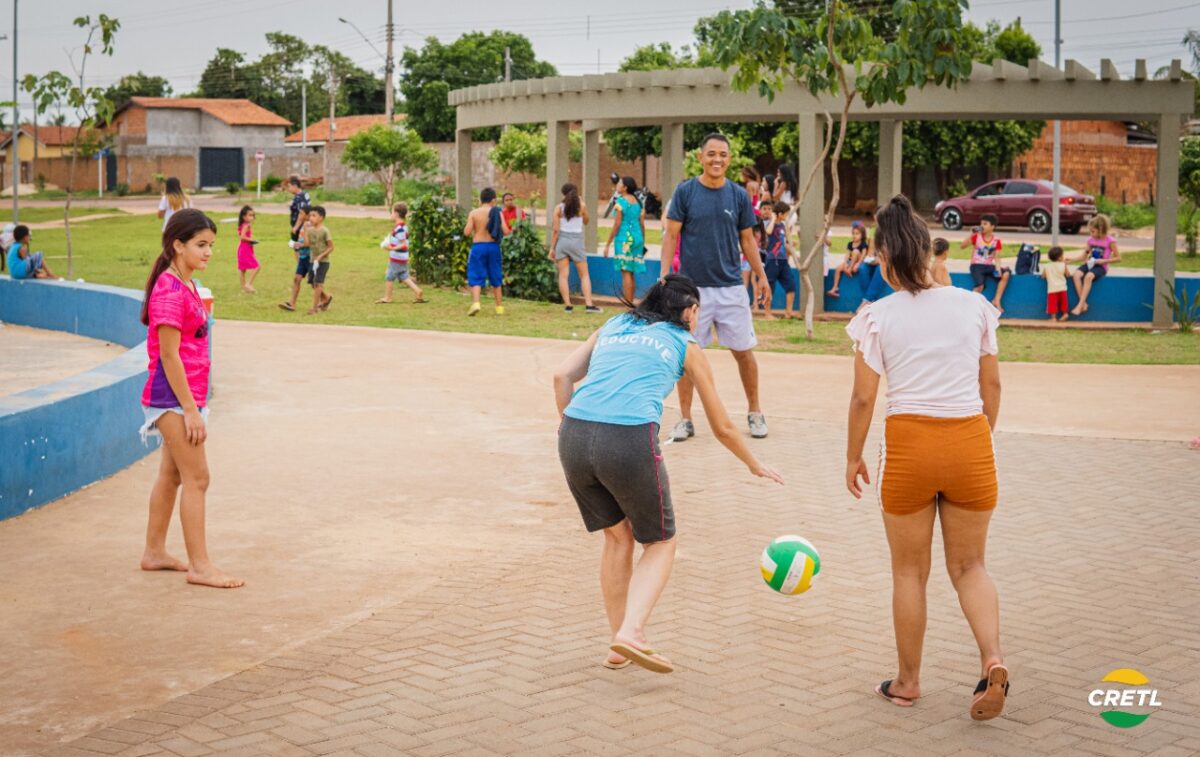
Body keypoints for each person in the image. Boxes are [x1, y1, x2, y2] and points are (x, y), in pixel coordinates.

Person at [553, 275, 783, 673]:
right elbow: (723, 426)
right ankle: (632, 632)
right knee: (660, 543)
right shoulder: (684, 344)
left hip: (573, 433)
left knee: (617, 537)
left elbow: (561, 377)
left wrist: (572, 430)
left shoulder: (614, 324)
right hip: (628, 438)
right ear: (691, 311)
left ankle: (617, 643)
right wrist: (754, 463)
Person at [845, 194, 1007, 721]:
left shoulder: (877, 316)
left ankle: (909, 683)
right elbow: (992, 385)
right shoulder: (974, 306)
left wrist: (853, 457)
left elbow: (864, 397)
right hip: (969, 440)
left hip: (910, 446)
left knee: (910, 573)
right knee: (971, 566)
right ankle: (992, 660)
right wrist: (980, 440)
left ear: (887, 261)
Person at [138, 208, 244, 589]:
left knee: (172, 475)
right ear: (177, 245)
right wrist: (189, 411)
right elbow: (169, 355)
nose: (208, 252)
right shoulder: (169, 290)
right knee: (198, 478)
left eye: (211, 245)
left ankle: (154, 552)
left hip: (183, 397)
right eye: (201, 245)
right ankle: (200, 567)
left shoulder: (186, 283)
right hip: (172, 399)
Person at [662, 134, 771, 442]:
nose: (717, 159)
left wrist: (761, 276)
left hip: (731, 288)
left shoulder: (737, 196)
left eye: (722, 154)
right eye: (711, 154)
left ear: (729, 159)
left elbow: (748, 240)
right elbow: (671, 235)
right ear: (701, 158)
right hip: (692, 291)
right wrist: (663, 274)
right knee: (687, 356)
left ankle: (755, 411)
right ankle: (684, 419)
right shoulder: (685, 192)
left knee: (744, 353)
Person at [549, 183, 601, 314]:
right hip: (577, 241)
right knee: (584, 275)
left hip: (562, 241)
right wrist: (582, 203)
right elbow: (587, 221)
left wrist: (552, 248)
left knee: (563, 275)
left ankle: (568, 305)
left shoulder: (558, 208)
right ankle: (589, 305)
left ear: (563, 193)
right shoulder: (581, 206)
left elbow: (555, 230)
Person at [463, 187, 509, 316]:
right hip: (493, 247)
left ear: (480, 199)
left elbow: (466, 232)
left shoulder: (474, 213)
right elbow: (505, 231)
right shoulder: (497, 212)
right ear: (493, 200)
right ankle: (499, 307)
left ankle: (476, 303)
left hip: (478, 247)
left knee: (476, 274)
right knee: (496, 275)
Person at [604, 176, 647, 304]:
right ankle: (631, 301)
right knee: (631, 271)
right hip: (637, 237)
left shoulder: (621, 202)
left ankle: (628, 305)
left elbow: (617, 224)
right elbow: (642, 224)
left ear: (625, 187)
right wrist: (642, 241)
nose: (618, 185)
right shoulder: (638, 202)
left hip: (625, 239)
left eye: (620, 183)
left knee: (625, 272)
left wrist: (608, 244)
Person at [1071, 214, 1120, 317]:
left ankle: (1079, 306)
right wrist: (1071, 260)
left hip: (1101, 267)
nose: (1091, 234)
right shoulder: (1090, 240)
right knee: (1076, 275)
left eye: (1093, 231)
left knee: (1088, 277)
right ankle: (1083, 303)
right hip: (1090, 264)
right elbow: (1084, 256)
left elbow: (1118, 258)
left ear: (1101, 229)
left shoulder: (1110, 241)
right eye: (1090, 231)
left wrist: (1104, 261)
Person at [377, 202, 425, 304]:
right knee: (403, 276)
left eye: (392, 212)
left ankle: (387, 297)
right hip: (400, 257)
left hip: (397, 257)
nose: (391, 214)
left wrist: (391, 248)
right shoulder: (400, 227)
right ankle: (418, 291)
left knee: (389, 276)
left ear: (397, 214)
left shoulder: (400, 228)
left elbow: (404, 244)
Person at [961, 214, 1010, 314]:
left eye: (985, 224)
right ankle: (968, 305)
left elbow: (996, 256)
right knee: (980, 286)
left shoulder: (996, 240)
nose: (982, 226)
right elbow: (963, 246)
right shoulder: (976, 237)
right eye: (981, 223)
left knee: (1006, 274)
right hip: (976, 265)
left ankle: (996, 300)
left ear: (992, 226)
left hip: (988, 266)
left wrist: (998, 269)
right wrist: (971, 234)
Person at [760, 202, 797, 319]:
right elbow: (768, 232)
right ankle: (767, 313)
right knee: (770, 286)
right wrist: (773, 219)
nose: (787, 216)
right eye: (785, 214)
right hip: (772, 260)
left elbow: (784, 241)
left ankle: (789, 312)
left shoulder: (782, 226)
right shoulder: (768, 223)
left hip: (782, 260)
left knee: (791, 285)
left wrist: (791, 247)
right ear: (780, 214)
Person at [279, 208, 311, 312]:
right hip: (303, 256)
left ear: (308, 214)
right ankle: (292, 304)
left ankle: (325, 298)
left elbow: (309, 242)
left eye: (301, 213)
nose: (299, 215)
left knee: (314, 282)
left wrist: (298, 245)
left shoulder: (309, 225)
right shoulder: (303, 224)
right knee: (297, 279)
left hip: (310, 257)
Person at [828, 221, 869, 298]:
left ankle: (849, 270)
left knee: (855, 251)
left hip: (857, 263)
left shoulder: (863, 244)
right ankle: (835, 287)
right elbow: (847, 255)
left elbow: (863, 255)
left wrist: (858, 264)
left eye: (857, 234)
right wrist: (845, 263)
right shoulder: (850, 244)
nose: (854, 235)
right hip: (850, 263)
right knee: (838, 268)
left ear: (862, 235)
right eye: (853, 233)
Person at [305, 206, 333, 315]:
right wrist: (305, 230)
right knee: (313, 283)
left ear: (321, 218)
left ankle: (315, 308)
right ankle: (326, 298)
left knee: (318, 284)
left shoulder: (325, 231)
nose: (310, 218)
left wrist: (321, 256)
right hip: (313, 261)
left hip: (323, 262)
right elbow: (307, 244)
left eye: (314, 216)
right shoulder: (310, 230)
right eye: (310, 215)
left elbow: (331, 247)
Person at [235, 206, 260, 293]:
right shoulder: (246, 225)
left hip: (243, 248)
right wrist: (252, 240)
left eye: (252, 215)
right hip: (245, 249)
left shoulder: (242, 225)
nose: (251, 217)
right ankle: (248, 284)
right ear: (244, 216)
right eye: (249, 215)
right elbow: (242, 237)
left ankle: (244, 288)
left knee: (242, 270)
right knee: (257, 266)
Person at [1041, 246, 1070, 321]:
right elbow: (1067, 274)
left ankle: (1053, 318)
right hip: (1063, 287)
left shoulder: (1047, 266)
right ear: (1059, 258)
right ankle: (1065, 314)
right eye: (1062, 255)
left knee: (1052, 303)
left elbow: (1043, 276)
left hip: (1052, 288)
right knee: (1064, 302)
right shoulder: (1063, 265)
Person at [285, 176, 312, 244]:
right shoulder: (303, 195)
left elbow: (302, 213)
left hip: (301, 227)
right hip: (301, 226)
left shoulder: (300, 197)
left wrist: (296, 227)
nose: (288, 189)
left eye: (289, 186)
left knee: (297, 246)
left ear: (295, 186)